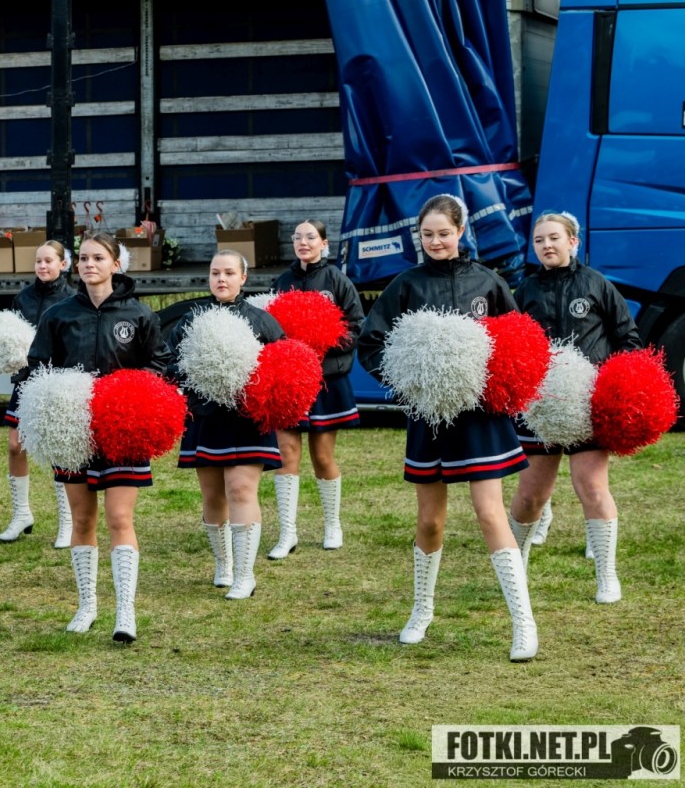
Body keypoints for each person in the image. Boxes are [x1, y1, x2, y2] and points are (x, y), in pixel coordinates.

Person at [357, 194, 537, 662]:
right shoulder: (406, 285)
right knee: (430, 520)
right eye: (427, 234)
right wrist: (408, 380)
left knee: (489, 514)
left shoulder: (489, 282)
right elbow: (371, 343)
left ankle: (523, 623)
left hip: (480, 416)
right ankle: (422, 610)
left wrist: (500, 381)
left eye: (443, 233)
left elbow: (517, 343)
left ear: (461, 232)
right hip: (430, 415)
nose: (436, 241)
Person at [23, 232, 172, 642]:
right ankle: (87, 605)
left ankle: (126, 611)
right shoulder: (58, 315)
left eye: (99, 258)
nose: (90, 265)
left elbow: (159, 364)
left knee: (119, 518)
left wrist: (129, 394)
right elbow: (38, 365)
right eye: (84, 259)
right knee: (83, 519)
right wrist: (53, 399)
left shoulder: (139, 314)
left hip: (121, 429)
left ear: (116, 265)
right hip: (73, 429)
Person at [507, 211, 641, 604]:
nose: (546, 245)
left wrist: (612, 385)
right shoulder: (525, 290)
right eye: (539, 240)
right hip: (540, 408)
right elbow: (512, 346)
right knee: (530, 497)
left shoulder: (596, 283)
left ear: (573, 241)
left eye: (554, 238)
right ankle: (515, 572)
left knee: (593, 488)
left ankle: (607, 577)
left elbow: (628, 339)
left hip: (586, 406)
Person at [168, 251, 283, 599]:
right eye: (215, 272)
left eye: (229, 273)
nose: (221, 279)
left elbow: (282, 367)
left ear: (243, 278)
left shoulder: (262, 322)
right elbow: (169, 363)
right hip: (204, 417)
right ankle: (224, 564)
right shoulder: (191, 320)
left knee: (241, 490)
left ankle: (245, 575)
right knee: (213, 495)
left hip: (248, 419)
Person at [269, 219, 364, 555]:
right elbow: (271, 329)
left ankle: (332, 525)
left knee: (322, 457)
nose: (303, 242)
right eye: (298, 237)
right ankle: (287, 533)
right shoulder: (283, 282)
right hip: (290, 381)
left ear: (324, 243)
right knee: (286, 454)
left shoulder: (337, 280)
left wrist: (324, 344)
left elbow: (356, 327)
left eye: (311, 237)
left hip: (327, 381)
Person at [0, 240, 76, 547]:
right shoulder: (23, 298)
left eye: (48, 261)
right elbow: (11, 338)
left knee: (59, 450)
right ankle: (21, 514)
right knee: (16, 446)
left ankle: (67, 522)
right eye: (38, 261)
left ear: (63, 265)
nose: (42, 266)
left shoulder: (72, 299)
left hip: (56, 383)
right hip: (26, 379)